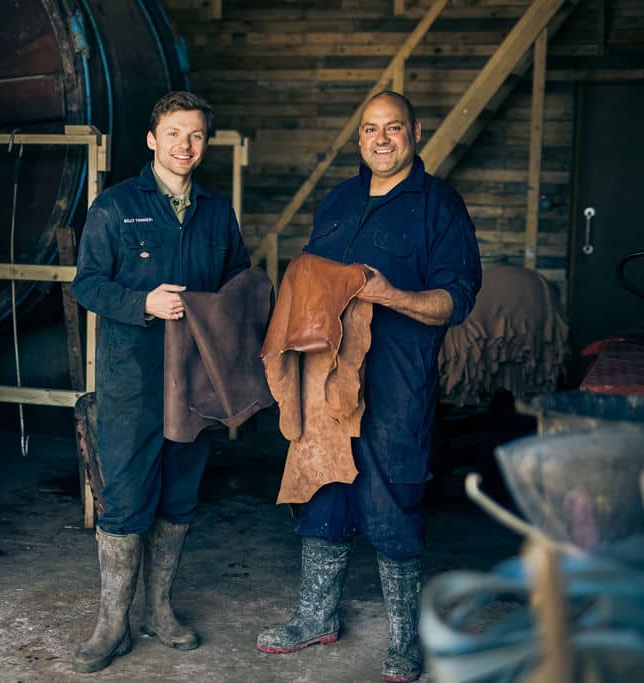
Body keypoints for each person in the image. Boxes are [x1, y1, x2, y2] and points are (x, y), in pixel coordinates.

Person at [256, 91, 482, 682]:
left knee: (393, 497)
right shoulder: (337, 201)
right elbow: (307, 281)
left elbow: (455, 300)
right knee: (322, 488)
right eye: (370, 130)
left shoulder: (439, 207)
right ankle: (315, 617)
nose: (381, 139)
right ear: (359, 138)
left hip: (396, 384)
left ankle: (406, 641)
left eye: (394, 128)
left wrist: (392, 296)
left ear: (415, 132)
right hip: (325, 384)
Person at [70, 91, 250, 674]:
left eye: (195, 136)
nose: (184, 146)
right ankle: (111, 624)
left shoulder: (217, 213)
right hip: (133, 380)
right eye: (174, 134)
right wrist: (143, 301)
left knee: (179, 494)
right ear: (152, 139)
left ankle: (160, 610)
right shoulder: (116, 206)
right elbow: (88, 285)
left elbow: (238, 284)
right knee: (123, 499)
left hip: (195, 381)